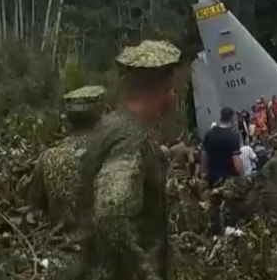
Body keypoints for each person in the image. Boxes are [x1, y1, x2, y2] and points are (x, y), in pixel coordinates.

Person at [77, 40, 181, 280]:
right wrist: (144, 272)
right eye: (171, 87)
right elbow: (111, 213)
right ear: (160, 87)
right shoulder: (133, 141)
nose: (174, 95)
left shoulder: (108, 127)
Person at [29, 85, 107, 228]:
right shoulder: (111, 153)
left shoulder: (48, 157)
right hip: (103, 246)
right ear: (102, 116)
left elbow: (34, 209)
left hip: (58, 244)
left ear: (68, 121)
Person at [202, 108, 244, 187]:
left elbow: (205, 156)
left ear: (220, 117)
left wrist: (204, 173)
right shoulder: (233, 136)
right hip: (228, 180)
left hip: (212, 178)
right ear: (232, 119)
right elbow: (236, 159)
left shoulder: (209, 134)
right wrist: (242, 175)